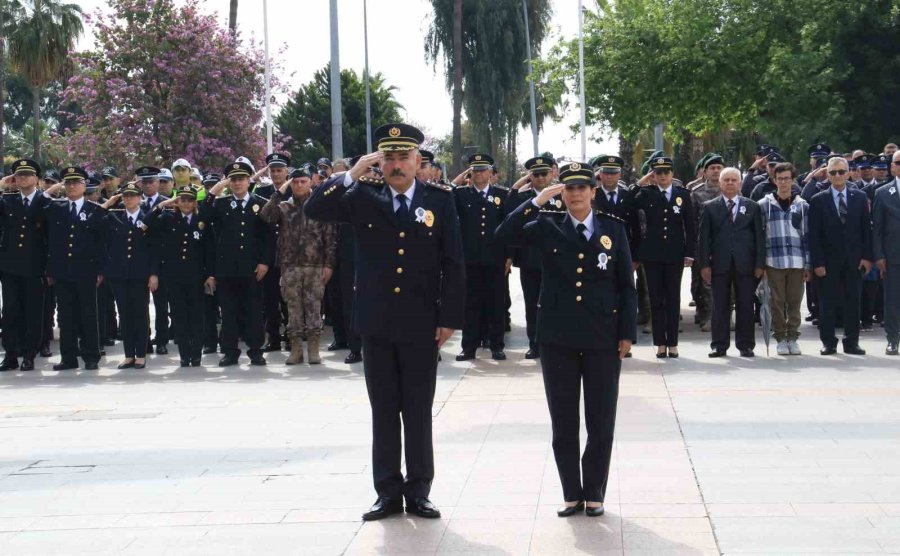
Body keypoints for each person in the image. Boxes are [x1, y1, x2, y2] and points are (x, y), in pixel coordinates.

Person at [305, 122, 465, 522]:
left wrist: (449, 319)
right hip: (376, 322)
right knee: (384, 409)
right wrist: (351, 173)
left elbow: (454, 264)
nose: (396, 165)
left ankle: (420, 490)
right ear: (380, 161)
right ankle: (387, 492)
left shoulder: (440, 201)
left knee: (417, 409)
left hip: (421, 322)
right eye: (388, 158)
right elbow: (314, 208)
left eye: (403, 157)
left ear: (417, 161)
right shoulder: (361, 195)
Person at [496, 162, 636, 517]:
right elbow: (502, 235)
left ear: (593, 191)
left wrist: (627, 333)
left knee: (601, 418)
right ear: (562, 192)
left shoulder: (613, 229)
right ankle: (571, 493)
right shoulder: (547, 225)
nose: (575, 194)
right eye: (569, 188)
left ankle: (595, 493)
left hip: (603, 336)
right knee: (563, 420)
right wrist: (536, 200)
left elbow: (625, 286)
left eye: (582, 188)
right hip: (558, 336)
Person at [261, 165, 336, 365]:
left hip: (315, 265)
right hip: (290, 266)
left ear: (310, 182)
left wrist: (329, 264)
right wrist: (280, 191)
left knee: (313, 308)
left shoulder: (319, 205)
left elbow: (329, 237)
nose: (299, 185)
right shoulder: (284, 206)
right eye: (295, 182)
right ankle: (295, 349)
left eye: (303, 181)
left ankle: (313, 349)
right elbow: (266, 215)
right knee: (293, 309)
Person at [201, 161, 273, 366]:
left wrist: (265, 263)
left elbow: (269, 238)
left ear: (249, 181)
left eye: (241, 179)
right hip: (227, 270)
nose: (237, 183)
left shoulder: (260, 203)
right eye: (233, 180)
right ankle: (230, 352)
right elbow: (203, 217)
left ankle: (256, 350)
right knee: (229, 313)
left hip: (253, 268)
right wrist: (214, 191)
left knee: (254, 311)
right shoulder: (221, 204)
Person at [626, 156, 695, 357]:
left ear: (672, 174)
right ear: (653, 174)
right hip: (652, 253)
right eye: (658, 172)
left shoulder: (683, 194)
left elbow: (690, 226)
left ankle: (672, 343)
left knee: (673, 299)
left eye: (666, 172)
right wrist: (641, 182)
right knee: (655, 300)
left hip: (675, 253)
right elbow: (627, 204)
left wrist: (690, 253)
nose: (662, 176)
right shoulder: (646, 193)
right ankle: (660, 344)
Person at [809, 156, 873, 355]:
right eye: (833, 172)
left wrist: (867, 257)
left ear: (848, 173)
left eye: (842, 171)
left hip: (854, 260)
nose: (838, 175)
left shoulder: (860, 197)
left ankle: (851, 342)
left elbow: (866, 231)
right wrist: (817, 262)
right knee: (827, 303)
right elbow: (814, 235)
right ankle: (828, 342)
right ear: (828, 175)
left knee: (853, 302)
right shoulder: (818, 200)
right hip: (827, 261)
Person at [698, 167, 765, 358]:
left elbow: (759, 237)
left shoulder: (752, 206)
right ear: (719, 183)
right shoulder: (710, 207)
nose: (729, 183)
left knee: (745, 305)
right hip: (720, 264)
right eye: (726, 180)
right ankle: (719, 345)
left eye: (733, 180)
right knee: (720, 307)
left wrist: (760, 264)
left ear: (740, 183)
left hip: (746, 265)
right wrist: (704, 265)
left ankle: (746, 345)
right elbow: (704, 239)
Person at [42, 166, 104, 370]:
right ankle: (68, 358)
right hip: (62, 271)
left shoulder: (94, 210)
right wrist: (50, 270)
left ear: (84, 185)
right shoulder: (56, 208)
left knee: (88, 314)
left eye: (76, 182)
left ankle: (91, 356)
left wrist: (100, 270)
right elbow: (50, 241)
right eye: (68, 182)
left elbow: (101, 244)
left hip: (86, 271)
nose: (71, 186)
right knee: (65, 316)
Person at [452, 153, 511, 361]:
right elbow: (445, 193)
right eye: (475, 170)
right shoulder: (460, 194)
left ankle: (497, 345)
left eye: (483, 169)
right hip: (470, 259)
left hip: (495, 259)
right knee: (471, 304)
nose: (479, 173)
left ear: (490, 172)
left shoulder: (502, 195)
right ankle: (468, 347)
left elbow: (508, 227)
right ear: (470, 172)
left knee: (496, 303)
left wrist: (509, 256)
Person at [145, 185, 211, 367]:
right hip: (174, 276)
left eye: (190, 200)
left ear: (195, 202)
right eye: (182, 199)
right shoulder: (168, 218)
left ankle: (196, 354)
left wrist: (210, 274)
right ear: (177, 201)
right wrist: (163, 204)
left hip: (197, 276)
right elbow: (146, 222)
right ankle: (184, 354)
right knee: (179, 316)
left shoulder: (201, 219)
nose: (186, 203)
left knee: (197, 317)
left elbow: (209, 249)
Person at [506, 155, 561, 359]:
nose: (540, 178)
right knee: (532, 304)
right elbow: (509, 223)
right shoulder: (522, 198)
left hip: (556, 261)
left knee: (555, 303)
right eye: (535, 174)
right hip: (530, 259)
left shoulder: (562, 196)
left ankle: (554, 342)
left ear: (551, 173)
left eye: (543, 173)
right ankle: (534, 343)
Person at [95, 183, 155, 369]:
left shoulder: (147, 218)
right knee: (125, 315)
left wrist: (153, 274)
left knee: (140, 314)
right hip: (119, 274)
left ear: (139, 198)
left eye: (132, 195)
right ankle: (129, 354)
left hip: (140, 274)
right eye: (125, 196)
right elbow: (94, 221)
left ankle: (141, 354)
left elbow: (154, 249)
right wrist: (109, 203)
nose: (128, 199)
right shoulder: (114, 217)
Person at [0, 159, 52, 371]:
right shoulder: (7, 201)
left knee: (33, 312)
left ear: (36, 179)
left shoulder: (46, 202)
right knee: (10, 311)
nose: (22, 178)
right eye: (19, 175)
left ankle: (30, 354)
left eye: (27, 175)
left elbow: (51, 237)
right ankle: (10, 354)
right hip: (10, 266)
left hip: (35, 267)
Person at [758, 162, 811, 356]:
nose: (783, 183)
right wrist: (761, 263)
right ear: (774, 180)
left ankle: (793, 337)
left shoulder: (803, 205)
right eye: (779, 179)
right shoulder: (764, 205)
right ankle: (780, 337)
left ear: (793, 180)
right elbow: (760, 236)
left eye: (787, 178)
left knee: (795, 302)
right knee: (776, 302)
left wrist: (808, 264)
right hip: (774, 261)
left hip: (797, 261)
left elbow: (807, 235)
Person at [136, 166, 171, 354]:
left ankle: (163, 339)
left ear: (158, 183)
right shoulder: (135, 202)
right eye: (145, 182)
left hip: (161, 259)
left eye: (152, 181)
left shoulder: (167, 203)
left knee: (161, 303)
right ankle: (145, 339)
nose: (148, 185)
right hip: (140, 258)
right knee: (140, 305)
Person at [689, 154, 724, 331]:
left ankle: (722, 316)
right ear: (705, 171)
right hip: (703, 243)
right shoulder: (697, 193)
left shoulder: (733, 190)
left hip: (725, 243)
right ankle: (706, 314)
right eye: (712, 168)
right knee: (703, 283)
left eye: (719, 168)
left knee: (727, 283)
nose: (716, 171)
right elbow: (692, 222)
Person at [873, 150, 900, 356]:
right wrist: (879, 255)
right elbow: (878, 228)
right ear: (892, 167)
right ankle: (892, 339)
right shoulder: (882, 193)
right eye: (898, 163)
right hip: (893, 256)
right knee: (892, 300)